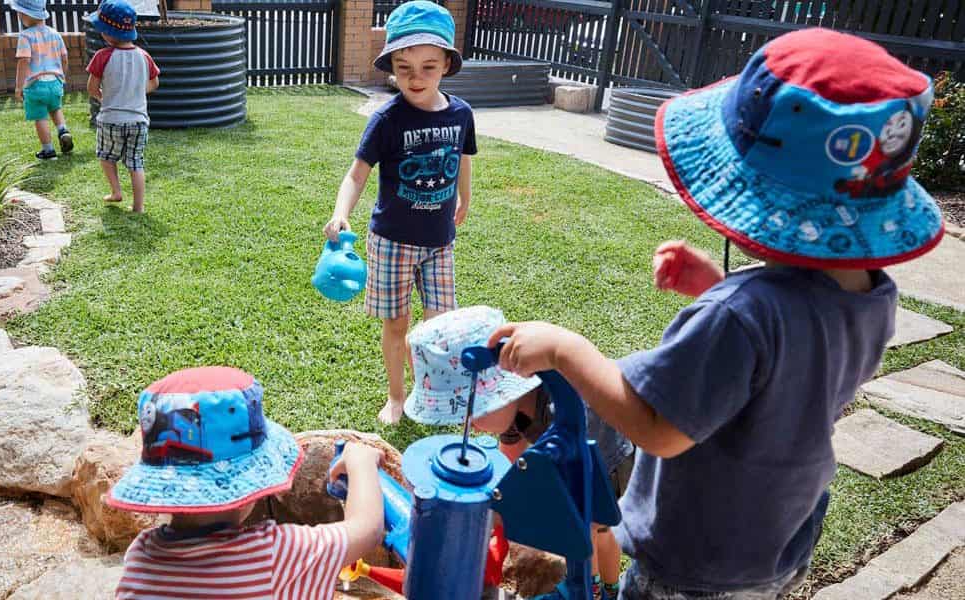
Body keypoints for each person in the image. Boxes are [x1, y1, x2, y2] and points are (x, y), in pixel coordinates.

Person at [487, 28, 943, 599]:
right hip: (776, 540)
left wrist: (563, 348)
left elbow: (660, 430)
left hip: (695, 559)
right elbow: (793, 349)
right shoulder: (873, 295)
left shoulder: (739, 317)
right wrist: (721, 284)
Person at [405, 305, 633, 600]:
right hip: (579, 464)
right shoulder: (513, 407)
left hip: (606, 462)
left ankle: (600, 591)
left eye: (472, 413)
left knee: (593, 530)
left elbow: (569, 512)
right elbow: (509, 461)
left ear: (499, 392)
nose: (470, 425)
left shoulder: (561, 413)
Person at [322, 0, 476, 424]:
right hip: (391, 241)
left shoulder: (462, 113)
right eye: (404, 66)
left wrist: (465, 197)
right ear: (391, 65)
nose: (416, 77)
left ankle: (433, 392)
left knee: (438, 326)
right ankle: (396, 396)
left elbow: (463, 156)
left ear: (447, 63)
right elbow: (356, 174)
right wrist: (340, 213)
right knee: (397, 324)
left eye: (428, 66)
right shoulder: (387, 118)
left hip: (440, 241)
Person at [107, 366, 386, 599]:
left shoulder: (140, 559)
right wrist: (360, 461)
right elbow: (367, 529)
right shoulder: (272, 555)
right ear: (251, 490)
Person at [85, 0, 160, 213]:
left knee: (106, 156)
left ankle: (116, 191)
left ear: (107, 33)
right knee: (136, 163)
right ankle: (138, 207)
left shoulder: (103, 56)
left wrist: (103, 98)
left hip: (111, 120)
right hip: (138, 121)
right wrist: (135, 91)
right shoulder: (144, 56)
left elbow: (92, 87)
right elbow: (154, 83)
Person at [10, 0, 73, 160]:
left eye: (19, 12)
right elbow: (64, 58)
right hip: (55, 82)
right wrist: (62, 78)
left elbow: (23, 62)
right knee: (55, 108)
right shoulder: (54, 33)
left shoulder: (25, 36)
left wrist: (18, 88)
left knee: (40, 116)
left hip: (36, 85)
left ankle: (48, 150)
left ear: (26, 14)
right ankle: (63, 131)